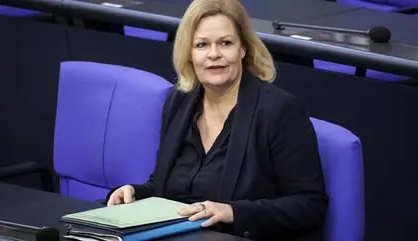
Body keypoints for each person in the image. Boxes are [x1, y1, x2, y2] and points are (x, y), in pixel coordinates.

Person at [107, 0, 328, 240]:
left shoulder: (278, 110)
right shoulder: (178, 102)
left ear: (243, 48)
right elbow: (165, 186)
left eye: (225, 43)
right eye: (202, 45)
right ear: (189, 54)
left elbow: (310, 205)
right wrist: (135, 194)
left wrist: (234, 212)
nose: (214, 54)